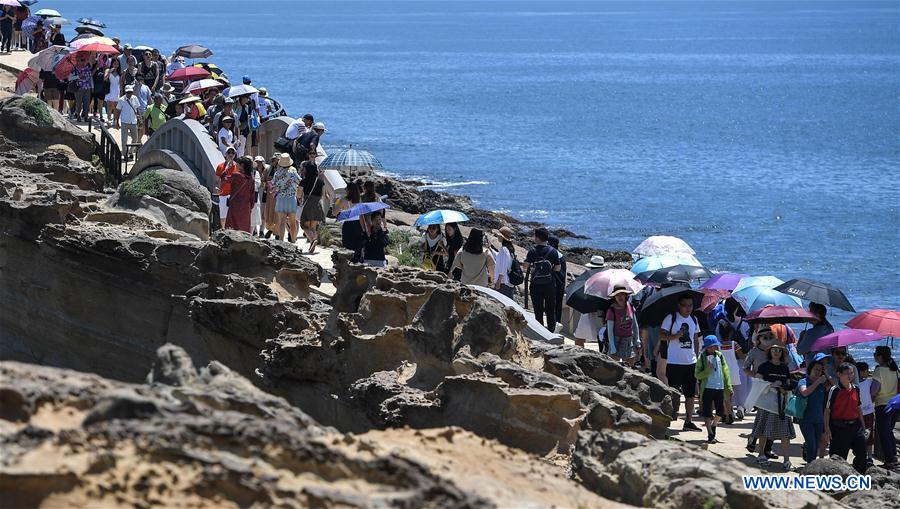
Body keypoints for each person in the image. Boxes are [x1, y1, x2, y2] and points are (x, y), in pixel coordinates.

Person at [660, 293, 701, 431]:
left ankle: (688, 421)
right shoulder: (671, 318)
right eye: (685, 305)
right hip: (674, 361)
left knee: (690, 394)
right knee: (672, 392)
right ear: (679, 305)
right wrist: (675, 336)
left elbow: (695, 338)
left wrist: (697, 354)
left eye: (690, 305)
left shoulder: (694, 319)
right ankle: (666, 419)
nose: (688, 308)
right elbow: (661, 334)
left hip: (690, 361)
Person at [751, 344, 795, 470]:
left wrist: (784, 387)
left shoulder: (784, 368)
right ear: (770, 352)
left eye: (779, 350)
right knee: (763, 430)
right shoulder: (764, 366)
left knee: (785, 433)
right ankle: (761, 455)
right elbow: (757, 382)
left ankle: (787, 460)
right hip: (766, 404)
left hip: (781, 405)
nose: (776, 352)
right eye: (774, 350)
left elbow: (787, 383)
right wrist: (771, 385)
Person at [825, 363, 869, 474]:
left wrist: (863, 427)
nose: (850, 375)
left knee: (862, 452)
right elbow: (827, 411)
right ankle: (836, 480)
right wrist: (827, 429)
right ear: (839, 374)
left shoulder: (856, 389)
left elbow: (858, 408)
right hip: (839, 427)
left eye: (852, 373)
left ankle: (858, 476)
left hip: (856, 426)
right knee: (838, 457)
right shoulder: (834, 390)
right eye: (847, 373)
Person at [695, 335, 732, 444]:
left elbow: (726, 372)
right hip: (707, 388)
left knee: (720, 411)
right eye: (710, 347)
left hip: (719, 387)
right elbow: (697, 375)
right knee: (707, 412)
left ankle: (714, 424)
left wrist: (729, 386)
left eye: (714, 346)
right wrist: (707, 369)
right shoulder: (701, 357)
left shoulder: (720, 356)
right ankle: (710, 434)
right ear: (706, 347)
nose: (712, 349)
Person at [522, 228, 561, 331]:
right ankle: (551, 330)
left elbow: (525, 266)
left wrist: (533, 265)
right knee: (550, 308)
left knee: (538, 309)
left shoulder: (532, 251)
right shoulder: (553, 251)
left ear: (538, 238)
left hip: (535, 284)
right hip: (550, 283)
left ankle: (540, 331)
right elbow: (558, 268)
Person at [798, 355, 831, 464]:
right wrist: (817, 382)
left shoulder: (823, 384)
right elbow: (805, 392)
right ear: (810, 369)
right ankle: (810, 467)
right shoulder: (803, 381)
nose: (817, 372)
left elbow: (836, 388)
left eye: (820, 370)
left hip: (819, 419)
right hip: (806, 418)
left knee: (816, 445)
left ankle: (811, 465)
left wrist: (826, 375)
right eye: (815, 369)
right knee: (811, 444)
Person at [872, 346, 898, 469]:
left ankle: (889, 461)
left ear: (880, 356)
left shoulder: (879, 371)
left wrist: (870, 398)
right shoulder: (895, 370)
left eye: (875, 354)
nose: (874, 356)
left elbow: (874, 390)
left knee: (883, 434)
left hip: (882, 404)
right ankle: (894, 456)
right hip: (895, 404)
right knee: (889, 431)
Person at [298, 151, 326, 253]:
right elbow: (322, 194)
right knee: (313, 226)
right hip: (317, 204)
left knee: (304, 225)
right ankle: (312, 243)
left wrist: (300, 198)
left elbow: (298, 194)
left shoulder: (303, 181)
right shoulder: (320, 181)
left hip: (307, 203)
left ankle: (313, 239)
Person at [606, 287, 640, 367]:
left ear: (626, 296)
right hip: (616, 340)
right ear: (614, 297)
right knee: (614, 367)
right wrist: (612, 346)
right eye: (617, 295)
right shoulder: (612, 310)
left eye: (622, 294)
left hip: (629, 341)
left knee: (629, 366)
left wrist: (637, 340)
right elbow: (610, 331)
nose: (620, 297)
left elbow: (635, 325)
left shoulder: (630, 307)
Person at [221, 157, 256, 233]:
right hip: (246, 206)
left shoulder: (236, 175)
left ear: (242, 165)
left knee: (232, 227)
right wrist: (251, 206)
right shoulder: (251, 179)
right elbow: (252, 195)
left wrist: (226, 169)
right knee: (244, 228)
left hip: (235, 204)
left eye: (237, 163)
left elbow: (224, 179)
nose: (236, 165)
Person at [272, 153, 301, 242]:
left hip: (281, 198)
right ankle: (293, 240)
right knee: (292, 222)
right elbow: (299, 182)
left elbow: (274, 185)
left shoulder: (277, 173)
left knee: (282, 221)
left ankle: (281, 241)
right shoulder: (293, 172)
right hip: (291, 198)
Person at [855, 361, 878, 467]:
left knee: (859, 435)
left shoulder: (854, 385)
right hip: (868, 412)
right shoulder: (869, 382)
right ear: (862, 372)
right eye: (866, 371)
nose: (868, 372)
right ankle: (869, 457)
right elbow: (875, 391)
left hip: (857, 413)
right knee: (869, 436)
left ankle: (861, 455)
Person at [339, 182, 366, 262]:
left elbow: (334, 212)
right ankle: (356, 263)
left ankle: (349, 263)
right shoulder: (359, 200)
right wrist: (364, 229)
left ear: (349, 190)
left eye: (346, 188)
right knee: (357, 246)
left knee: (348, 246)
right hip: (357, 224)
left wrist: (336, 206)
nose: (345, 190)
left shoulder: (344, 200)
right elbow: (361, 216)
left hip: (348, 225)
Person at [215, 147, 239, 228]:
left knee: (233, 216)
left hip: (233, 195)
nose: (231, 155)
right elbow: (217, 180)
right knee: (223, 216)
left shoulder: (237, 167)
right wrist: (217, 188)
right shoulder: (220, 166)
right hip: (223, 194)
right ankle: (224, 230)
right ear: (226, 154)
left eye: (233, 153)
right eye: (229, 153)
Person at [547, 236, 566, 333]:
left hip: (552, 284)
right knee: (558, 307)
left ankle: (552, 327)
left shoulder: (552, 255)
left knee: (551, 306)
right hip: (561, 284)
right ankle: (557, 325)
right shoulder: (562, 256)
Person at [117, 86, 141, 160]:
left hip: (133, 121)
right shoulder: (121, 100)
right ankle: (124, 155)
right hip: (124, 121)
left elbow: (137, 109)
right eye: (128, 92)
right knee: (124, 139)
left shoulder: (135, 98)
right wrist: (116, 121)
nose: (129, 94)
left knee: (135, 138)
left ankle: (130, 151)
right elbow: (118, 111)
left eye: (130, 92)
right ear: (125, 92)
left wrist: (140, 119)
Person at [492, 227, 516, 298]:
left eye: (499, 235)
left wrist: (498, 281)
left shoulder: (504, 249)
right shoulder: (508, 248)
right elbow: (500, 258)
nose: (497, 236)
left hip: (503, 281)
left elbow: (503, 266)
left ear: (502, 237)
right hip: (507, 281)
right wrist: (490, 248)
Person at [262, 155, 280, 239]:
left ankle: (277, 232)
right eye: (273, 160)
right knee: (269, 214)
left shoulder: (281, 170)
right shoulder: (267, 169)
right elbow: (263, 180)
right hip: (270, 195)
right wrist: (267, 185)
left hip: (279, 195)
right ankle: (270, 230)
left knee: (278, 214)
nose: (274, 161)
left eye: (275, 160)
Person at [72, 58, 93, 122]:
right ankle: (78, 116)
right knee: (79, 103)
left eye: (83, 60)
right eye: (80, 60)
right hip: (79, 88)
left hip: (87, 88)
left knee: (87, 103)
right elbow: (70, 78)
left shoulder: (87, 69)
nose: (82, 62)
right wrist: (78, 77)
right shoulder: (74, 69)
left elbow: (90, 78)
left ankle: (86, 116)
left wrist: (92, 87)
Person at [104, 59, 122, 127]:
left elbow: (120, 83)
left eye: (117, 64)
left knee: (116, 107)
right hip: (110, 90)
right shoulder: (108, 70)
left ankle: (115, 120)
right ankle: (109, 119)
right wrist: (109, 72)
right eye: (114, 63)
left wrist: (121, 92)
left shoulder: (119, 72)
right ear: (112, 64)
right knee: (109, 106)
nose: (116, 65)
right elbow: (104, 79)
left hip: (117, 90)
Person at [250, 156, 265, 237]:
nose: (258, 164)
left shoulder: (257, 173)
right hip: (247, 197)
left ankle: (257, 231)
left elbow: (258, 185)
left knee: (256, 215)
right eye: (257, 162)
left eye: (260, 162)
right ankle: (254, 231)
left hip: (257, 195)